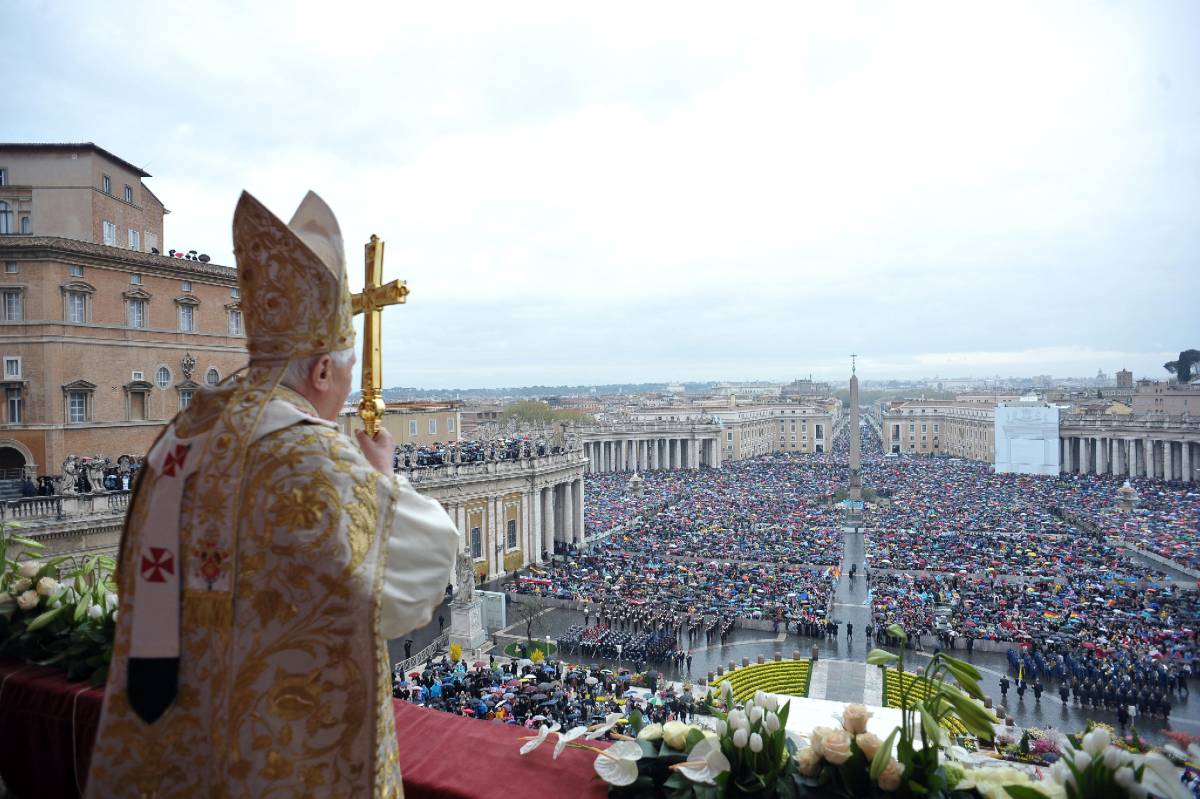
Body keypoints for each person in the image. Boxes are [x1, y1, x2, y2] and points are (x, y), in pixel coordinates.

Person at [86, 192, 460, 797]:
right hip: (284, 755)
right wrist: (383, 480)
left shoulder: (180, 440)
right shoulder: (311, 452)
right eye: (342, 376)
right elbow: (413, 583)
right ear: (320, 372)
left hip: (180, 734)